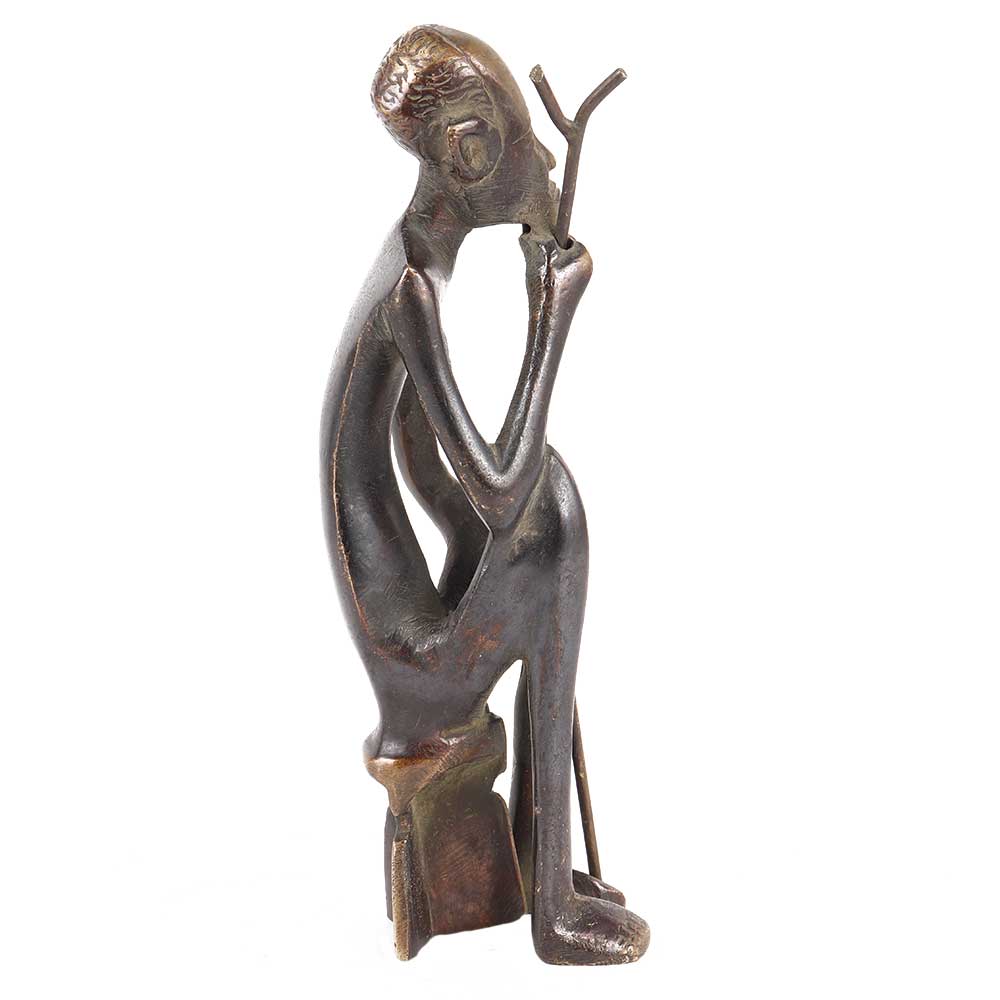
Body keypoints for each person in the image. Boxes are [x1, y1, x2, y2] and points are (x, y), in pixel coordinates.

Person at [321, 25, 649, 964]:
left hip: (410, 638)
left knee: (541, 512)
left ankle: (547, 864)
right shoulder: (412, 293)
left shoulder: (413, 261)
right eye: (523, 143)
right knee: (552, 526)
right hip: (413, 664)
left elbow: (416, 450)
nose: (542, 164)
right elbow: (501, 494)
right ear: (468, 153)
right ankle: (552, 910)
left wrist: (473, 547)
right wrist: (553, 320)